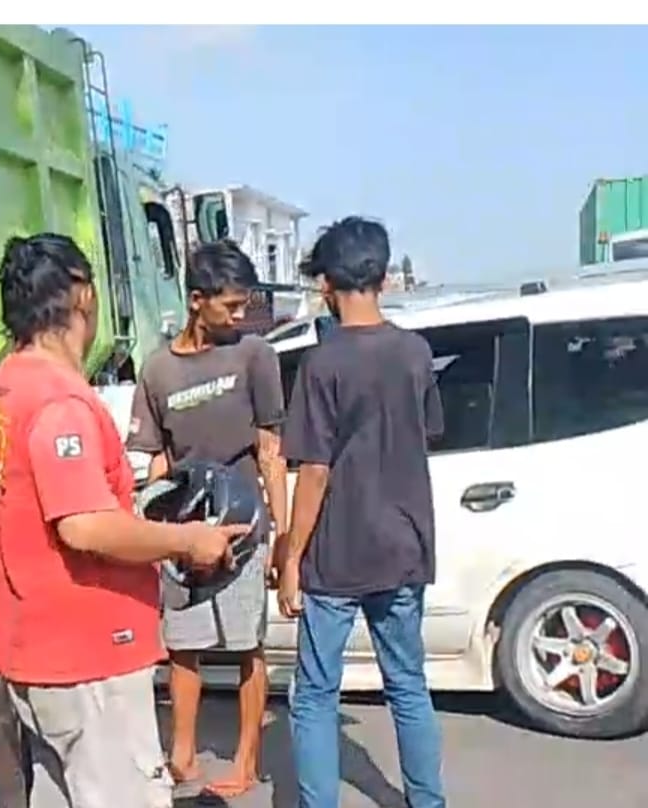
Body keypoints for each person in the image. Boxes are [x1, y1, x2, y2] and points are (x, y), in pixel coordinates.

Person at [0, 232, 249, 808]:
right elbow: (84, 525)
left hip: (34, 653)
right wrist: (186, 539)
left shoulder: (2, 389)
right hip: (86, 654)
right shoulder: (58, 401)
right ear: (83, 296)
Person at [275, 216, 447, 808]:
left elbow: (314, 471)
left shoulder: (321, 363)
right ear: (384, 275)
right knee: (408, 686)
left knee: (315, 695)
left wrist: (291, 558)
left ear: (326, 283)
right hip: (404, 545)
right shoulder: (416, 353)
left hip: (337, 555)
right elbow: (426, 434)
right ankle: (428, 802)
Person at [127, 239, 287, 800]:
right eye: (230, 306)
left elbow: (271, 450)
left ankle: (246, 760)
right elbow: (157, 462)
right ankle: (182, 753)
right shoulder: (158, 370)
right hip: (185, 531)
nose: (240, 316)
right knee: (183, 646)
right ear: (197, 300)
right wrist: (153, 534)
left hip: (243, 528)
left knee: (246, 646)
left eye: (244, 305)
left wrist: (281, 537)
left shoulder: (254, 356)